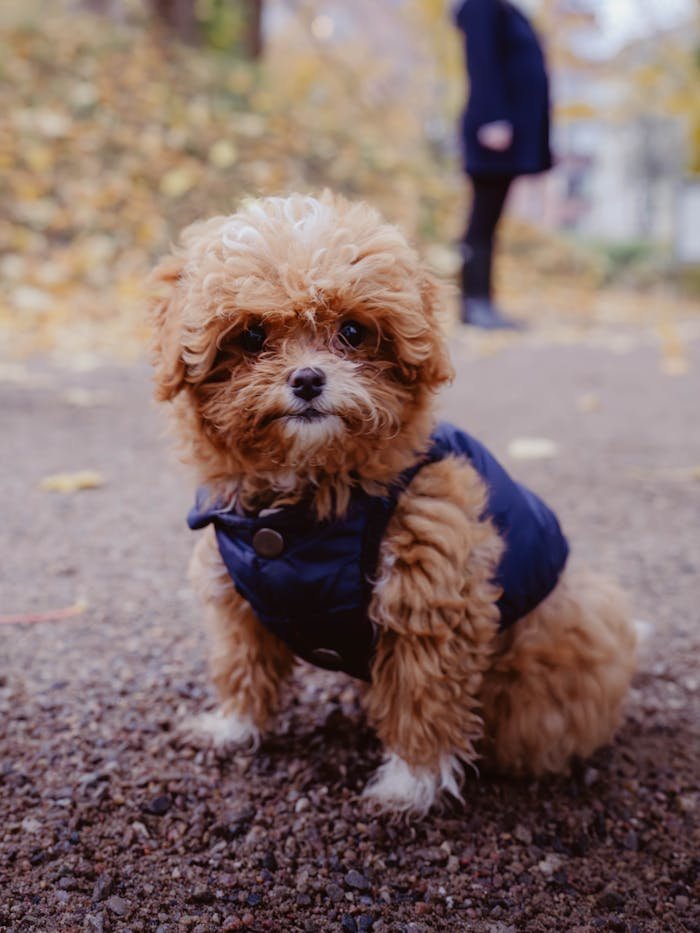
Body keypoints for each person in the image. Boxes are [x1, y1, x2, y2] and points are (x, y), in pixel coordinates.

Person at [452, 0, 552, 329]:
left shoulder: (506, 9)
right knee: (481, 222)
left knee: (488, 223)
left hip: (505, 134)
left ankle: (481, 301)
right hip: (493, 131)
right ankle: (474, 303)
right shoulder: (481, 6)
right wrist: (493, 117)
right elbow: (481, 62)